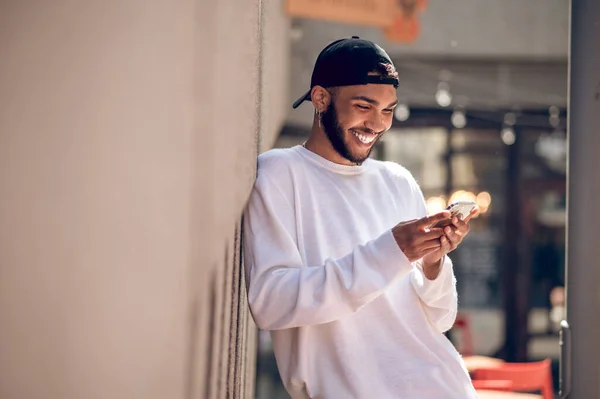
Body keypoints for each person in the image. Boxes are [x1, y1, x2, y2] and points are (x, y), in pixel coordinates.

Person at [243, 36, 479, 399]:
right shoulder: (279, 173)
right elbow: (270, 303)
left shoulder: (397, 181)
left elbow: (441, 318)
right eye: (364, 106)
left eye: (388, 110)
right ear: (321, 98)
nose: (377, 124)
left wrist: (433, 263)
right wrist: (392, 251)